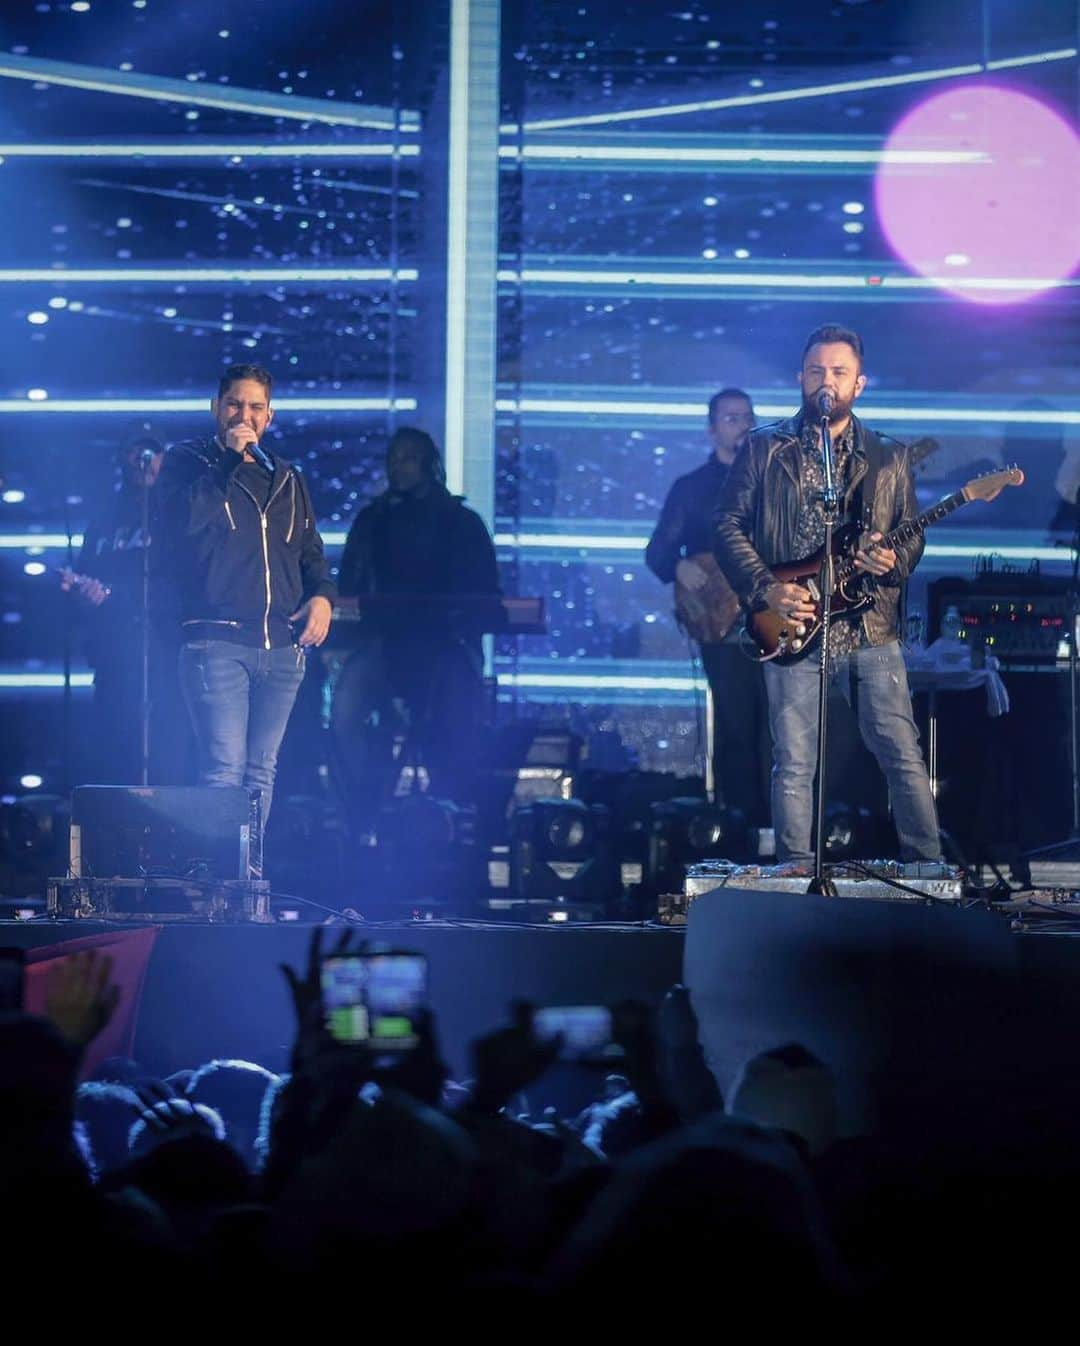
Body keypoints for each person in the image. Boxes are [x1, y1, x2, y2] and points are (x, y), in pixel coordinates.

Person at [714, 324, 941, 865]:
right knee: (793, 760)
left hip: (868, 626)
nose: (827, 381)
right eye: (817, 370)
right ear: (801, 378)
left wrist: (893, 561)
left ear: (859, 384)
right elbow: (726, 525)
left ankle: (930, 871)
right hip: (792, 620)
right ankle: (795, 869)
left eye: (839, 372)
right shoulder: (765, 448)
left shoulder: (889, 457)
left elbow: (912, 536)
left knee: (901, 753)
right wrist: (768, 589)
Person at [156, 364, 335, 832]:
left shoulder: (287, 478)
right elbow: (181, 525)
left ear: (269, 417)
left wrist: (323, 598)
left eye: (256, 407)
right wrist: (228, 463)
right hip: (216, 643)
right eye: (235, 404)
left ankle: (247, 885)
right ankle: (220, 888)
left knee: (261, 771)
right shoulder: (188, 463)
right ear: (216, 408)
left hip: (282, 648)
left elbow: (312, 553)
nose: (244, 415)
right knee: (223, 768)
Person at [334, 427, 500, 830]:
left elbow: (487, 596)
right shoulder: (371, 522)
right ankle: (359, 809)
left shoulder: (462, 524)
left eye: (407, 457)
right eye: (392, 458)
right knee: (345, 710)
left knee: (455, 711)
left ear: (429, 464)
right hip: (382, 645)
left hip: (444, 646)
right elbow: (348, 592)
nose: (397, 466)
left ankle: (454, 809)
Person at [646, 389, 770, 828]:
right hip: (724, 625)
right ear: (712, 428)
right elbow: (657, 551)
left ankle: (782, 829)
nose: (742, 424)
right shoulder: (692, 488)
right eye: (731, 418)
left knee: (780, 728)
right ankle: (739, 826)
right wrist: (679, 566)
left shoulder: (774, 481)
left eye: (747, 416)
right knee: (736, 726)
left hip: (777, 617)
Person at [64, 433, 189, 784]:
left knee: (167, 751)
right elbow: (86, 576)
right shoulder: (102, 521)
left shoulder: (177, 514)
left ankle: (166, 831)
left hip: (165, 652)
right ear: (123, 456)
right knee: (115, 749)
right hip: (113, 655)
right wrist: (79, 591)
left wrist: (116, 595)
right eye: (136, 449)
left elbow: (184, 584)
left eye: (153, 450)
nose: (143, 458)